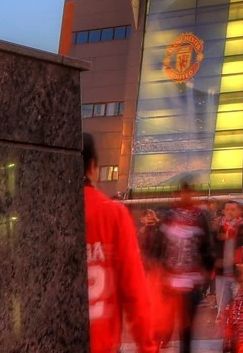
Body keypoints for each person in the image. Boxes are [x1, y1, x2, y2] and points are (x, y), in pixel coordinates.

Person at [82, 133, 157, 353]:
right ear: (93, 167)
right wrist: (147, 346)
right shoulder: (113, 213)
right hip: (102, 344)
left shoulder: (44, 216)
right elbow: (134, 290)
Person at [160, 182, 217, 353]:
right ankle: (164, 340)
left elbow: (206, 246)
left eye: (189, 192)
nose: (187, 196)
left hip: (192, 281)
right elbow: (160, 244)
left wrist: (208, 269)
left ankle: (185, 349)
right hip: (171, 280)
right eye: (183, 193)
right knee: (167, 321)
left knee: (187, 326)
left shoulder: (200, 216)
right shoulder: (169, 215)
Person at [214, 200, 243, 320]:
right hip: (222, 274)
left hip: (239, 274)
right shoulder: (219, 228)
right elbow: (212, 247)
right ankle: (224, 330)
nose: (230, 212)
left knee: (240, 308)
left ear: (239, 211)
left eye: (233, 209)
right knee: (222, 310)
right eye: (227, 209)